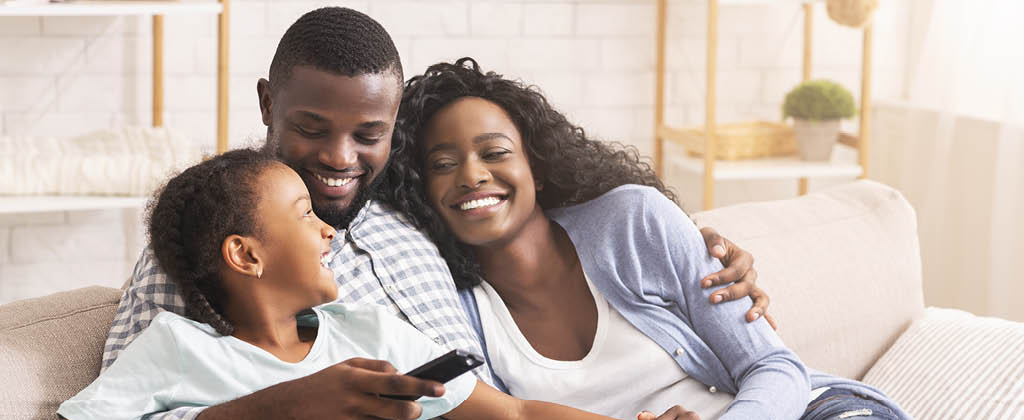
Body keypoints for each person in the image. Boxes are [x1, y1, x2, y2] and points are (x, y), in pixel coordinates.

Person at [102, 7, 769, 420]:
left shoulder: (415, 213)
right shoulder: (208, 239)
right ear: (268, 105)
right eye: (312, 127)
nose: (340, 157)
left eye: (368, 134)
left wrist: (694, 248)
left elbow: (527, 214)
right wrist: (284, 408)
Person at [394, 57, 911, 420]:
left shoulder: (632, 222)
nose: (472, 174)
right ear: (423, 192)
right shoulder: (457, 313)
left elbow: (774, 366)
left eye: (495, 152)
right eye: (443, 164)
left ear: (538, 166)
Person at [60, 149, 628, 420]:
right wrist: (287, 406)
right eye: (306, 213)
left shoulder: (368, 334)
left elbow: (517, 416)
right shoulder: (179, 350)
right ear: (247, 255)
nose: (330, 230)